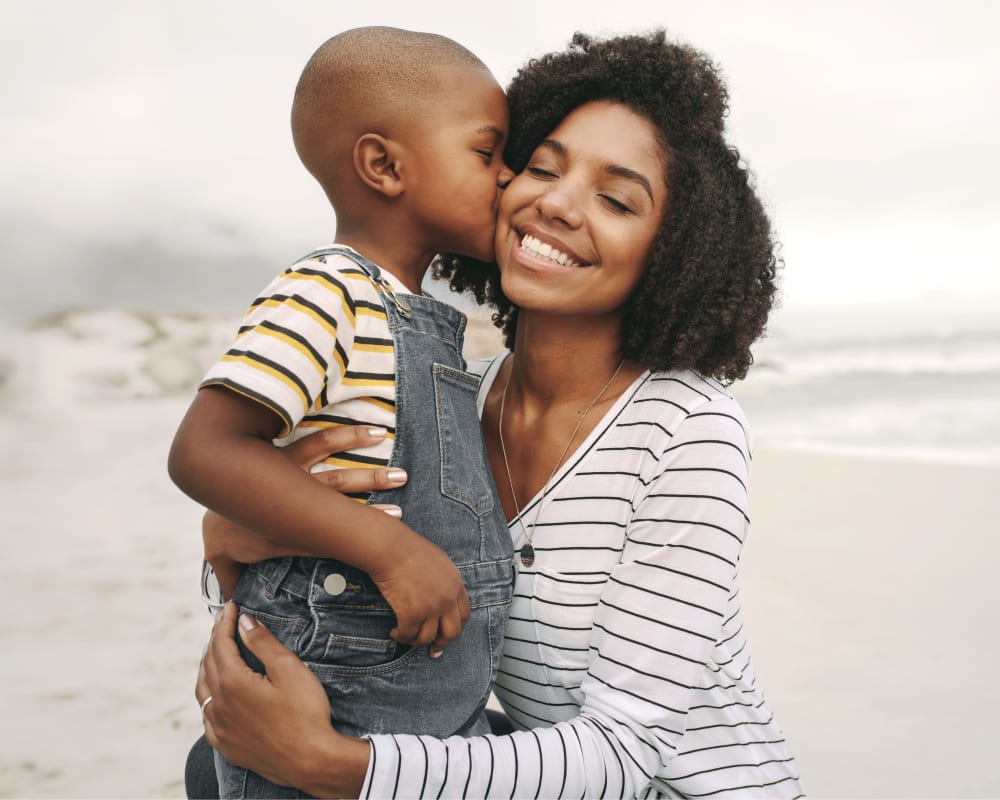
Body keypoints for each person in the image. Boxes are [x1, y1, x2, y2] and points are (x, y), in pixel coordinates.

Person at [194, 29, 805, 798]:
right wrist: (238, 531)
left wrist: (335, 767)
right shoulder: (446, 395)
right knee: (215, 766)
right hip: (543, 765)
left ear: (673, 251)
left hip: (665, 787)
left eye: (615, 200)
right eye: (538, 168)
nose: (555, 202)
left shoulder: (686, 432)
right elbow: (328, 565)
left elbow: (623, 755)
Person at [167, 26, 516, 800]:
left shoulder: (412, 310)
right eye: (487, 153)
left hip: (419, 706)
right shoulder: (326, 289)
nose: (509, 178)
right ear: (385, 165)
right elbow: (206, 449)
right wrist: (393, 554)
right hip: (333, 688)